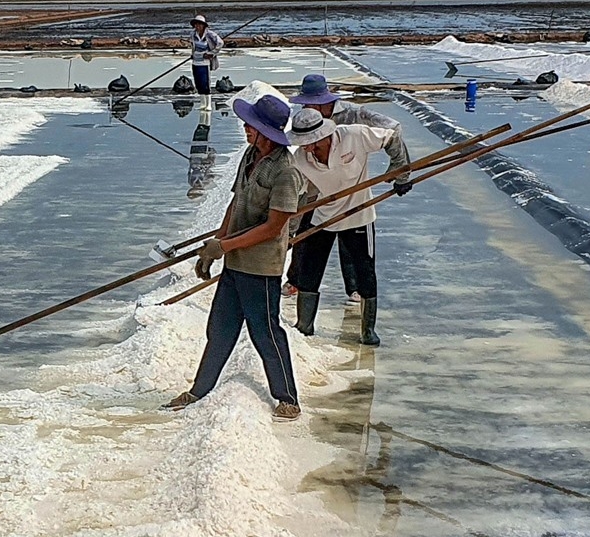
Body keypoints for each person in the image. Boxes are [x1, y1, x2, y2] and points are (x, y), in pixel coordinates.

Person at [165, 82, 303, 421]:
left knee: (265, 333)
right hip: (235, 262)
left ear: (265, 132)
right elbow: (235, 202)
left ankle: (287, 398)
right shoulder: (250, 156)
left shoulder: (286, 172)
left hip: (262, 268)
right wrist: (214, 248)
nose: (245, 128)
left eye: (250, 125)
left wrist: (224, 245)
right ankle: (199, 390)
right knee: (220, 328)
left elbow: (273, 228)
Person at [282, 106, 412, 346]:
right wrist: (289, 233)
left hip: (359, 214)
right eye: (303, 143)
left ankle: (368, 330)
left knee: (365, 274)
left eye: (312, 143)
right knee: (309, 272)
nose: (308, 148)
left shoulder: (354, 135)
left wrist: (401, 171)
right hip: (323, 216)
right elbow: (301, 197)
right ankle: (304, 325)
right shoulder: (300, 158)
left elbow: (392, 135)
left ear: (324, 135)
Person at [286, 73, 404, 305]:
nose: (306, 108)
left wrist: (400, 170)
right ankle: (296, 283)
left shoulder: (353, 119)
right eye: (304, 104)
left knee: (355, 253)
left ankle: (356, 290)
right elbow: (298, 187)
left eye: (310, 104)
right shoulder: (304, 133)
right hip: (320, 192)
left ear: (324, 102)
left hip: (354, 194)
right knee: (304, 241)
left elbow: (393, 131)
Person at [187, 14, 223, 95]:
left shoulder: (209, 34)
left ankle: (207, 102)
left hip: (204, 62)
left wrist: (211, 53)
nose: (197, 26)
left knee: (205, 85)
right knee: (198, 84)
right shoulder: (193, 34)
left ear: (203, 25)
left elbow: (220, 43)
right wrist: (193, 54)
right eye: (196, 24)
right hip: (195, 62)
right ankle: (202, 101)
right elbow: (193, 46)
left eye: (199, 24)